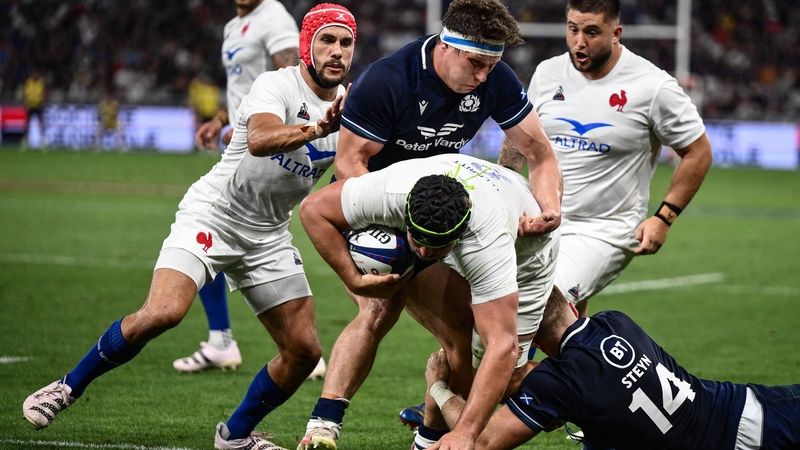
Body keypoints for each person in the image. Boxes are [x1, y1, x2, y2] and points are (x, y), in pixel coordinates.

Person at [22, 5, 355, 449]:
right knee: (164, 313)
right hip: (214, 214)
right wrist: (315, 129)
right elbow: (259, 140)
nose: (337, 52)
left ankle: (235, 437)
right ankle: (67, 386)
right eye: (327, 40)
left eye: (346, 43)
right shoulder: (276, 83)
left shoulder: (353, 108)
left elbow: (348, 178)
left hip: (269, 234)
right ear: (306, 45)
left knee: (304, 352)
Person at [298, 0, 563, 448]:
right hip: (380, 206)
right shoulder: (389, 80)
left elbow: (540, 154)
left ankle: (433, 434)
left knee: (480, 333)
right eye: (476, 64)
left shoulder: (493, 77)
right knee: (383, 309)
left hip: (447, 211)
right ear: (446, 46)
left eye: (492, 66)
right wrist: (411, 227)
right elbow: (349, 165)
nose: (483, 77)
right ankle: (324, 427)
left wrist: (546, 206)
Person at [298, 153, 559, 450]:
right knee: (385, 310)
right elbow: (312, 209)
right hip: (468, 202)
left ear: (458, 238)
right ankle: (329, 422)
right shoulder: (392, 190)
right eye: (416, 239)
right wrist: (353, 279)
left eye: (433, 247)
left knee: (503, 377)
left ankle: (578, 387)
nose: (421, 254)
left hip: (527, 248)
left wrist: (466, 434)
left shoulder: (487, 246)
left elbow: (503, 346)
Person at [498, 0, 712, 319]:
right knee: (490, 296)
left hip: (605, 229)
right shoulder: (548, 72)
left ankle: (499, 370)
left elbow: (698, 152)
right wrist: (502, 196)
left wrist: (664, 217)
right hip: (542, 218)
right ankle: (578, 367)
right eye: (573, 29)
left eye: (592, 32)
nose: (579, 41)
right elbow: (522, 138)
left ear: (616, 33)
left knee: (531, 304)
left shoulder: (652, 87)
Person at [424, 288, 800, 450]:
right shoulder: (616, 322)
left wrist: (440, 388)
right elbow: (594, 378)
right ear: (572, 306)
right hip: (749, 401)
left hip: (746, 438)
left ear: (531, 342)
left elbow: (484, 441)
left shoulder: (558, 384)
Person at [173, 0, 311, 377]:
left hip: (267, 136)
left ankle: (247, 343)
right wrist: (220, 118)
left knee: (224, 225)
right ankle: (222, 340)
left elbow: (294, 77)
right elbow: (240, 85)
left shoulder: (273, 16)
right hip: (244, 132)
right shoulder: (233, 27)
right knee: (209, 232)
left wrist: (262, 125)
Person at [22, 69, 47, 148]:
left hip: (38, 105)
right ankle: (25, 139)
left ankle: (43, 139)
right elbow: (26, 93)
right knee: (27, 123)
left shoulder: (41, 82)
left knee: (41, 122)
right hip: (30, 105)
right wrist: (26, 102)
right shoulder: (29, 82)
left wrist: (43, 101)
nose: (35, 75)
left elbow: (43, 93)